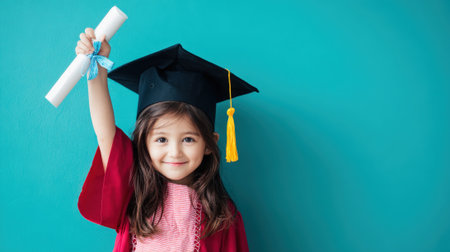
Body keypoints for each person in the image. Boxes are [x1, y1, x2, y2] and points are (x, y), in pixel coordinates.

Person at [76, 27, 258, 252]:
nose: (175, 152)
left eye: (188, 139)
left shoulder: (222, 216)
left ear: (210, 143)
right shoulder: (135, 193)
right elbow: (105, 134)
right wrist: (97, 69)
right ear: (143, 142)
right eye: (161, 139)